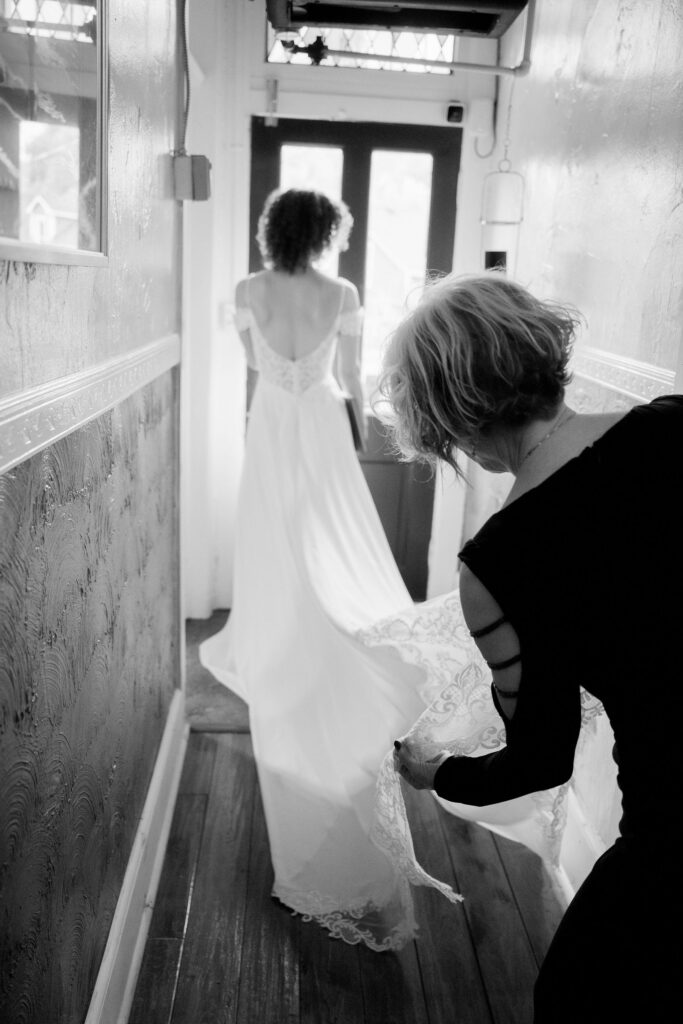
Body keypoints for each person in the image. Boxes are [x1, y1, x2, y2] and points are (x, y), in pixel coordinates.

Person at [381, 271, 681, 1020]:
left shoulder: (500, 564)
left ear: (450, 421)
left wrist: (434, 769)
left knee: (572, 998)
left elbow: (537, 758)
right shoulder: (672, 422)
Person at [199, 188, 440, 950]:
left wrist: (277, 391)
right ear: (327, 233)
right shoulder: (342, 291)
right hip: (320, 422)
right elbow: (356, 376)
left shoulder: (246, 290)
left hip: (271, 418)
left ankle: (285, 640)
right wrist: (361, 422)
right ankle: (332, 636)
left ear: (273, 232)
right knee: (330, 539)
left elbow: (250, 363)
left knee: (277, 540)